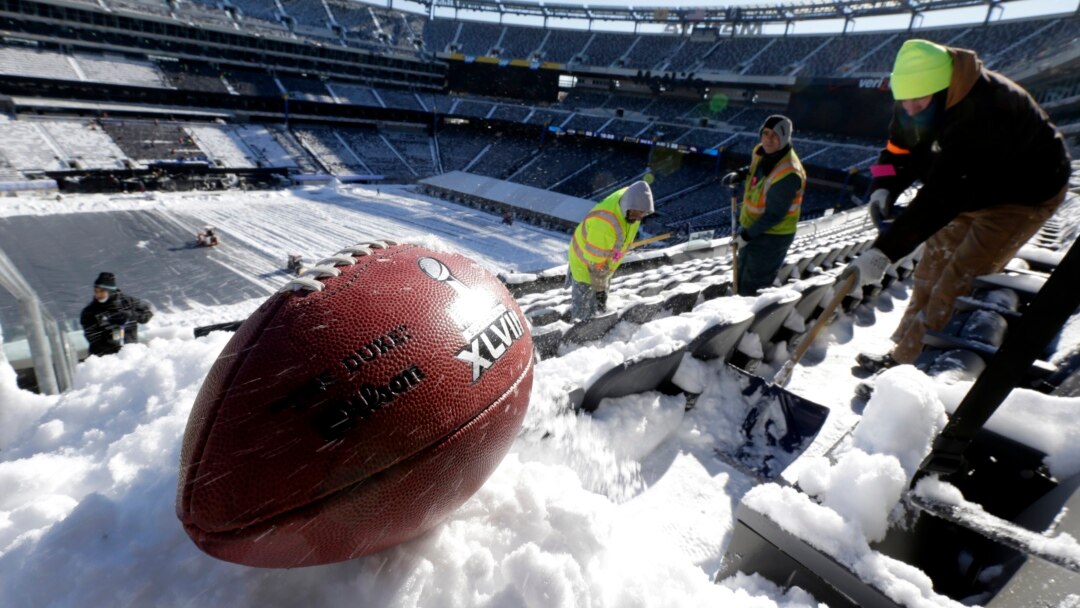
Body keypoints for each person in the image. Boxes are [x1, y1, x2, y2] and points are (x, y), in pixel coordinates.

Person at [842, 39, 1071, 373]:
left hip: (1020, 197)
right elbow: (893, 152)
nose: (909, 110)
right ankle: (902, 353)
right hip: (966, 186)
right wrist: (882, 187)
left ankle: (911, 369)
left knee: (958, 278)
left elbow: (942, 197)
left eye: (918, 103)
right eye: (903, 102)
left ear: (945, 90)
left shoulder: (989, 110)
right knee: (929, 270)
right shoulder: (913, 98)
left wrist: (883, 252)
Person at [723, 115, 806, 296]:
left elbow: (774, 215)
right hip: (752, 228)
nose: (768, 139)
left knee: (753, 284)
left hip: (771, 238)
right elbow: (754, 169)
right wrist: (740, 174)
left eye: (775, 135)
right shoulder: (761, 152)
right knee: (741, 271)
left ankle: (745, 318)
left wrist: (746, 235)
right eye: (765, 133)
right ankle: (737, 300)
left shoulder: (788, 173)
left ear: (784, 137)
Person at [567, 180, 654, 320]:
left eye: (642, 215)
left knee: (598, 299)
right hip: (585, 263)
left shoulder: (632, 201)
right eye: (636, 214)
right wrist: (601, 294)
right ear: (628, 206)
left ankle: (596, 315)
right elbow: (595, 265)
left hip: (603, 260)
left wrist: (613, 263)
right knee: (583, 311)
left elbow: (619, 244)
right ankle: (578, 334)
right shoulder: (604, 225)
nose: (638, 218)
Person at [80, 272, 154, 357]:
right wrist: (114, 328)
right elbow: (93, 338)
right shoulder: (89, 312)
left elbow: (148, 312)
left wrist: (132, 315)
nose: (98, 294)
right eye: (96, 291)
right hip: (105, 359)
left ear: (110, 291)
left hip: (131, 354)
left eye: (102, 291)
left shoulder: (128, 302)